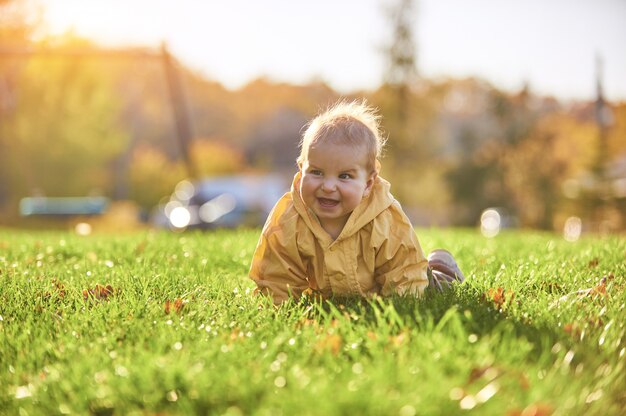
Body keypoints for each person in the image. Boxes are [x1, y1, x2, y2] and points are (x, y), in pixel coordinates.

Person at [249, 100, 464, 304]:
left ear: (368, 183)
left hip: (399, 283)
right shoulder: (290, 219)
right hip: (331, 293)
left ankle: (443, 267)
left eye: (344, 176)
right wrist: (278, 305)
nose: (328, 186)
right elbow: (276, 274)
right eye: (316, 172)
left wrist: (400, 306)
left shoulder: (384, 218)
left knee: (432, 289)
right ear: (301, 169)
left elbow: (403, 271)